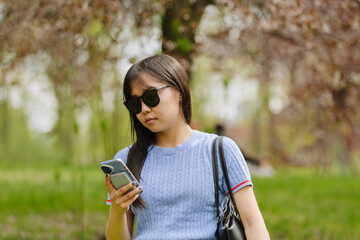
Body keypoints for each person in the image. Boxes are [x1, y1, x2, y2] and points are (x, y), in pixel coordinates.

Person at [104, 54, 270, 240]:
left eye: (150, 97)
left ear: (179, 91)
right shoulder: (127, 159)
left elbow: (253, 223)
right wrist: (117, 211)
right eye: (135, 103)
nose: (144, 109)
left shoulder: (220, 150)